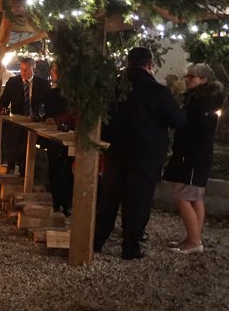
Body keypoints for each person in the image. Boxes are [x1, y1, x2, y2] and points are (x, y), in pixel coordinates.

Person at [94, 47, 186, 260]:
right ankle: (130, 246)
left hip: (117, 150)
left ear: (128, 63)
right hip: (146, 154)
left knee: (109, 197)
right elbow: (179, 121)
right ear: (149, 65)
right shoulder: (157, 91)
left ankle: (97, 240)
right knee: (138, 200)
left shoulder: (114, 88)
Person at [163, 64, 225, 254]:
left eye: (192, 76)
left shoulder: (201, 102)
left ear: (203, 79)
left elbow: (198, 129)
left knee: (183, 196)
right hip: (196, 154)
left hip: (192, 155)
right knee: (195, 197)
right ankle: (193, 237)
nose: (187, 79)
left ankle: (194, 241)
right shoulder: (202, 99)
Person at [0, 57, 50, 175]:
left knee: (28, 145)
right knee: (13, 135)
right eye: (22, 69)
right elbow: (3, 101)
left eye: (27, 69)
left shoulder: (43, 84)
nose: (24, 72)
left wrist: (40, 116)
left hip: (35, 122)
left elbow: (47, 105)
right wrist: (3, 108)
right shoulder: (13, 82)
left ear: (33, 69)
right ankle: (11, 165)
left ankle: (25, 171)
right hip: (17, 122)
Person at [42, 62, 76, 216]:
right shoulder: (50, 94)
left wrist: (55, 120)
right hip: (55, 138)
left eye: (56, 71)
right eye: (54, 71)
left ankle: (64, 203)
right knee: (56, 169)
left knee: (66, 170)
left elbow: (73, 114)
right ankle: (58, 203)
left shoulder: (72, 95)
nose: (54, 73)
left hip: (68, 137)